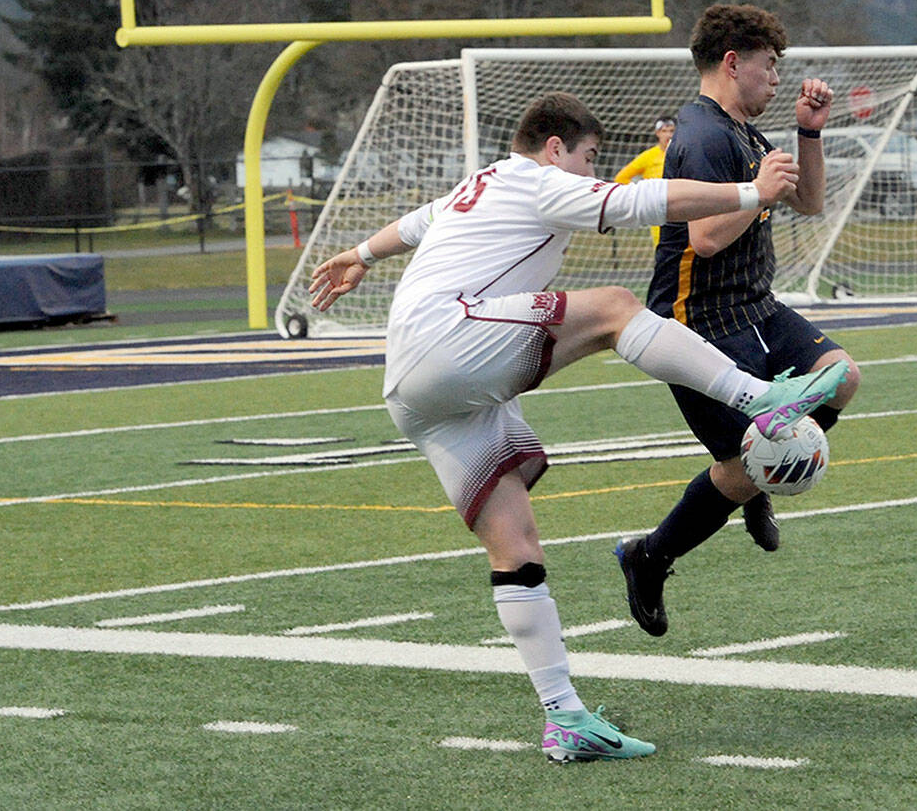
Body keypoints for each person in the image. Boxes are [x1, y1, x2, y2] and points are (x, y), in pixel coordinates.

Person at [308, 92, 851, 763]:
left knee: (517, 546)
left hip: (414, 388)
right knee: (616, 309)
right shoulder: (536, 180)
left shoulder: (479, 186)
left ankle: (564, 719)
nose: (596, 174)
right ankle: (761, 401)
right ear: (553, 148)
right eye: (590, 159)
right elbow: (634, 205)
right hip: (448, 339)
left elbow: (416, 224)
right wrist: (748, 190)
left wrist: (362, 252)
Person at [616, 4, 863, 637]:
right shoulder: (702, 135)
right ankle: (649, 556)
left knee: (841, 377)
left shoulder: (744, 133)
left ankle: (756, 481)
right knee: (746, 463)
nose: (777, 79)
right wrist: (757, 189)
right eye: (769, 65)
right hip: (695, 318)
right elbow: (701, 239)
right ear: (733, 63)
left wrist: (809, 134)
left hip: (756, 306)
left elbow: (808, 200)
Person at [613, 115, 677, 246]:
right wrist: (640, 196)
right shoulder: (648, 156)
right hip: (659, 208)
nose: (668, 135)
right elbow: (621, 177)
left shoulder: (682, 153)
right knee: (663, 247)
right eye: (664, 131)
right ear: (657, 133)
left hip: (681, 204)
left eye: (672, 131)